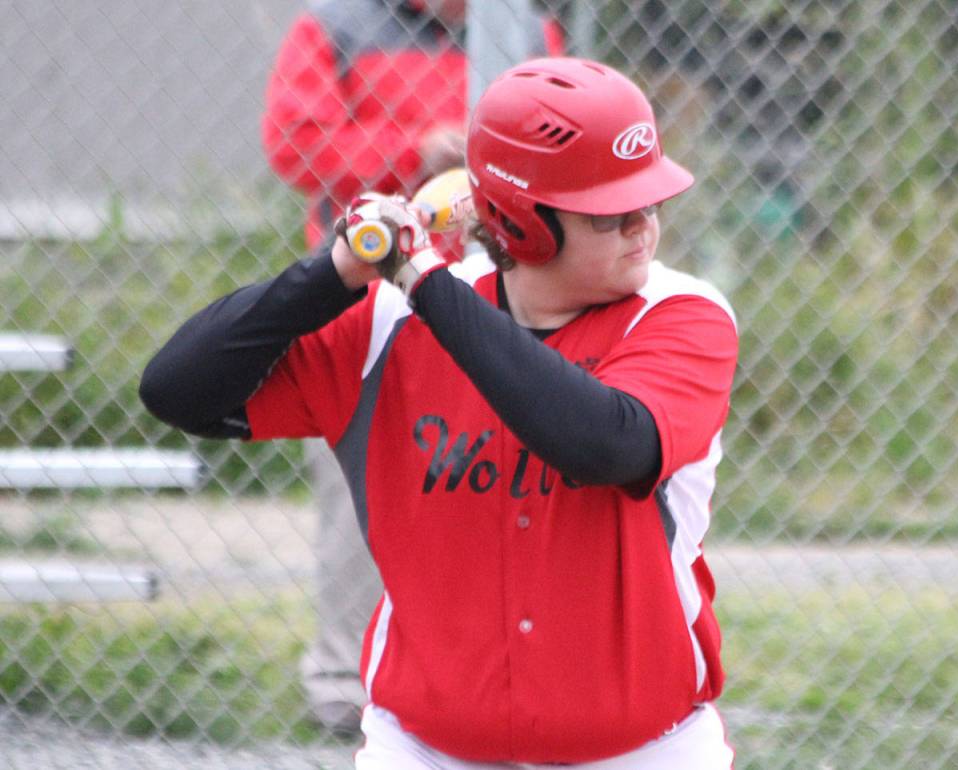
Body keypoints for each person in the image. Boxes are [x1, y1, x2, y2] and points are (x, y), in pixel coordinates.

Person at [141, 56, 738, 768]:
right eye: (612, 214)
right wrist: (332, 272)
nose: (644, 227)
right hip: (425, 749)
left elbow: (606, 445)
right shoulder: (389, 326)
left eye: (652, 203)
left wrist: (422, 276)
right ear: (524, 223)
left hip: (641, 751)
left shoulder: (680, 315)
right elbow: (177, 389)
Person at [261, 0, 562, 736]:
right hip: (369, 294)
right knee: (357, 488)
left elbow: (566, 146)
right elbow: (294, 145)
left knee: (503, 486)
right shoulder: (335, 24)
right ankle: (347, 683)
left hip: (501, 294)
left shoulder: (526, 28)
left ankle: (494, 672)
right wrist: (412, 150)